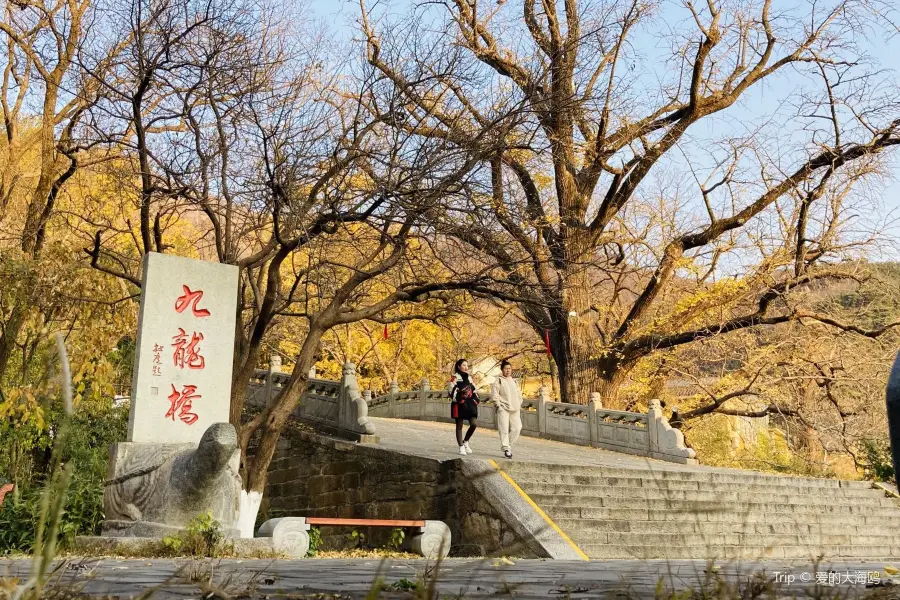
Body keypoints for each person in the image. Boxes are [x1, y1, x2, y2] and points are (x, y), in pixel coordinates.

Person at [491, 360, 523, 459]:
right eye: (506, 368)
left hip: (515, 408)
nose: (508, 370)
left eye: (509, 368)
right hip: (503, 408)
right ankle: (506, 448)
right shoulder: (498, 380)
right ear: (502, 370)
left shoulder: (514, 381)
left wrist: (519, 402)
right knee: (503, 429)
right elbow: (494, 394)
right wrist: (498, 406)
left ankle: (508, 445)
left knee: (517, 428)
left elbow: (519, 394)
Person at [448, 358, 479, 456]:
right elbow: (451, 391)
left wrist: (475, 399)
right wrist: (460, 396)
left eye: (467, 365)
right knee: (459, 425)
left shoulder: (469, 377)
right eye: (464, 365)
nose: (466, 367)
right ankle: (461, 446)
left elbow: (474, 389)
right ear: (458, 366)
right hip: (459, 403)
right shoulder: (454, 377)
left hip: (470, 403)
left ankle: (466, 441)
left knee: (473, 424)